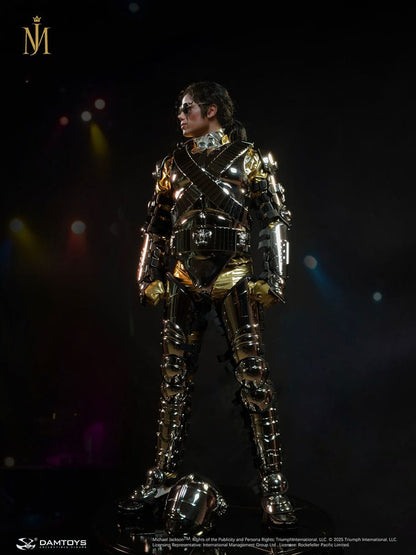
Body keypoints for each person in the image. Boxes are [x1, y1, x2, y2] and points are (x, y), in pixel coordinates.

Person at [118, 81, 296, 527]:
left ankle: (273, 486)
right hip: (182, 276)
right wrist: (147, 277)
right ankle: (162, 476)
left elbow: (273, 217)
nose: (180, 116)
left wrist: (272, 277)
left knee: (253, 377)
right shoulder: (171, 164)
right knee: (173, 378)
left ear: (211, 109)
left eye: (187, 108)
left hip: (232, 272)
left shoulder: (249, 158)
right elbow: (156, 226)